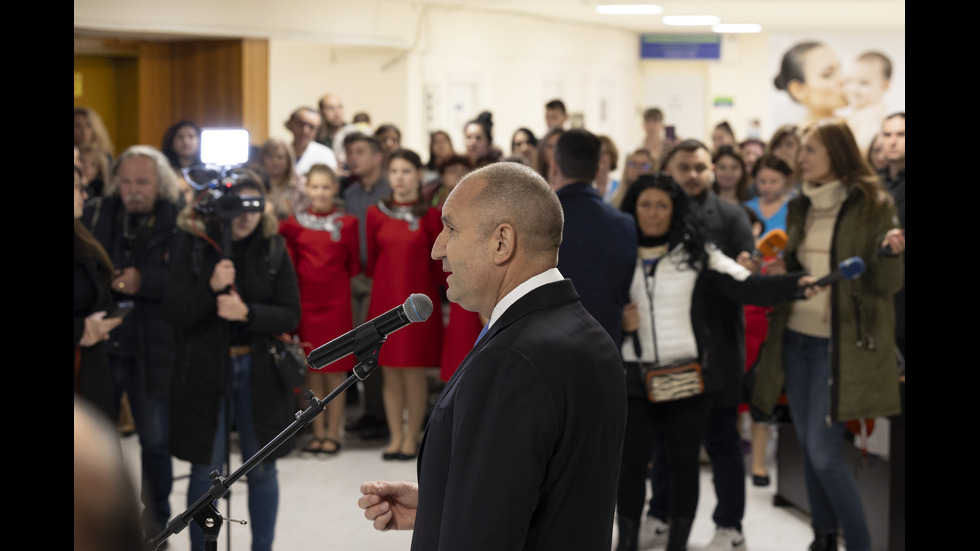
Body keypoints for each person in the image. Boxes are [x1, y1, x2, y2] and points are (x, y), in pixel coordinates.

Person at [358, 162, 627, 550]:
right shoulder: (585, 333)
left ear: (501, 242)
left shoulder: (512, 360)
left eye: (450, 229)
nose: (437, 248)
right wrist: (440, 505)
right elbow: (554, 491)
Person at [615, 174, 810, 551]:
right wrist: (620, 323)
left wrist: (795, 284)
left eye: (662, 205)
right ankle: (625, 542)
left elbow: (746, 286)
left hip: (686, 376)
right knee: (631, 466)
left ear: (675, 210)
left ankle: (678, 543)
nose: (653, 214)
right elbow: (597, 302)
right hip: (634, 376)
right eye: (645, 205)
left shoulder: (697, 252)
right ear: (632, 208)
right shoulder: (620, 252)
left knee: (683, 463)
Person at [750, 119, 904, 551]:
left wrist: (892, 254)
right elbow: (800, 268)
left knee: (824, 453)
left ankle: (857, 542)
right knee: (808, 448)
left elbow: (885, 284)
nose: (801, 159)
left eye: (810, 150)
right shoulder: (802, 205)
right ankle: (821, 537)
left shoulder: (873, 204)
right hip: (795, 338)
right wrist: (783, 272)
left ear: (836, 153)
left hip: (839, 348)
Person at [164, 170, 301, 551]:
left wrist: (247, 313)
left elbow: (291, 314)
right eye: (235, 205)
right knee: (205, 472)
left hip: (258, 371)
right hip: (207, 370)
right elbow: (174, 312)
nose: (244, 215)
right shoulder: (195, 245)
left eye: (253, 206)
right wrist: (208, 289)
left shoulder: (273, 247)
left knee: (262, 469)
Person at [638, 139, 755, 551]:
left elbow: (744, 271)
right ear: (668, 170)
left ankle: (730, 526)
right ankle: (660, 515)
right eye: (684, 166)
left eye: (700, 167)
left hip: (717, 351)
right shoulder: (652, 216)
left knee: (722, 441)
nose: (692, 174)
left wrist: (747, 268)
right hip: (665, 357)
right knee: (665, 444)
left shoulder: (731, 215)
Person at [82, 145, 180, 539]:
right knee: (102, 440)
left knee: (155, 441)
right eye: (126, 181)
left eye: (142, 182)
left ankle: (156, 522)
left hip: (154, 345)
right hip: (106, 344)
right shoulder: (99, 214)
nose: (133, 190)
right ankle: (108, 520)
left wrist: (146, 282)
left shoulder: (178, 219)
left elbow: (188, 288)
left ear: (160, 183)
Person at [365, 149, 443, 461]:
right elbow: (371, 261)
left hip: (418, 305)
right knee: (389, 372)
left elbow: (438, 266)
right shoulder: (375, 214)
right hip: (384, 301)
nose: (399, 177)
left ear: (419, 175)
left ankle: (412, 438)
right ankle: (395, 437)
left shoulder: (431, 216)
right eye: (394, 170)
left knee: (413, 372)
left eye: (406, 171)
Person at [279, 164, 360, 455]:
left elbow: (353, 265)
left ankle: (334, 433)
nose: (320, 192)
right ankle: (317, 432)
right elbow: (289, 264)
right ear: (306, 188)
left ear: (335, 189)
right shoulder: (294, 224)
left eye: (326, 187)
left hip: (336, 304)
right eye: (315, 187)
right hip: (306, 303)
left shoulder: (347, 223)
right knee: (313, 369)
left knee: (336, 370)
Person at [550, 128, 637, 347]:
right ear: (598, 170)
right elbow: (624, 291)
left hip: (549, 349)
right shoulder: (623, 225)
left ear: (554, 167)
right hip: (605, 346)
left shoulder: (538, 222)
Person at [341, 133, 393, 440]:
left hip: (380, 276)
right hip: (354, 275)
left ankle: (386, 414)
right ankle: (371, 411)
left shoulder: (390, 189)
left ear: (377, 156)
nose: (353, 158)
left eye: (359, 152)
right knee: (361, 346)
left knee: (379, 343)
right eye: (349, 152)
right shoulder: (350, 194)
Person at [75, 166, 122, 420]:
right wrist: (81, 329)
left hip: (90, 364)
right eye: (77, 188)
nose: (84, 196)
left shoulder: (81, 235)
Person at [878, 112, 905, 359]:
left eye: (900, 134)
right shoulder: (873, 187)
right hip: (880, 295)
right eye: (887, 135)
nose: (893, 141)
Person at [774, 42, 846, 128]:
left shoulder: (856, 126)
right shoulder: (796, 139)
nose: (843, 79)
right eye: (828, 74)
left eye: (839, 69)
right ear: (798, 90)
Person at [844, 52, 893, 151]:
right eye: (849, 80)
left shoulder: (871, 114)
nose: (854, 89)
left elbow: (862, 147)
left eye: (864, 83)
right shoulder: (862, 109)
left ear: (885, 85)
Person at [258, 138, 309, 219]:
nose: (275, 161)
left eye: (280, 157)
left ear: (288, 160)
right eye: (270, 157)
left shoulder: (300, 184)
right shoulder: (255, 183)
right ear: (262, 159)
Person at [286, 106, 338, 176]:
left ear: (318, 131)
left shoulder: (325, 155)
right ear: (291, 124)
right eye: (301, 124)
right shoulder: (280, 152)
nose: (305, 130)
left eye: (311, 127)